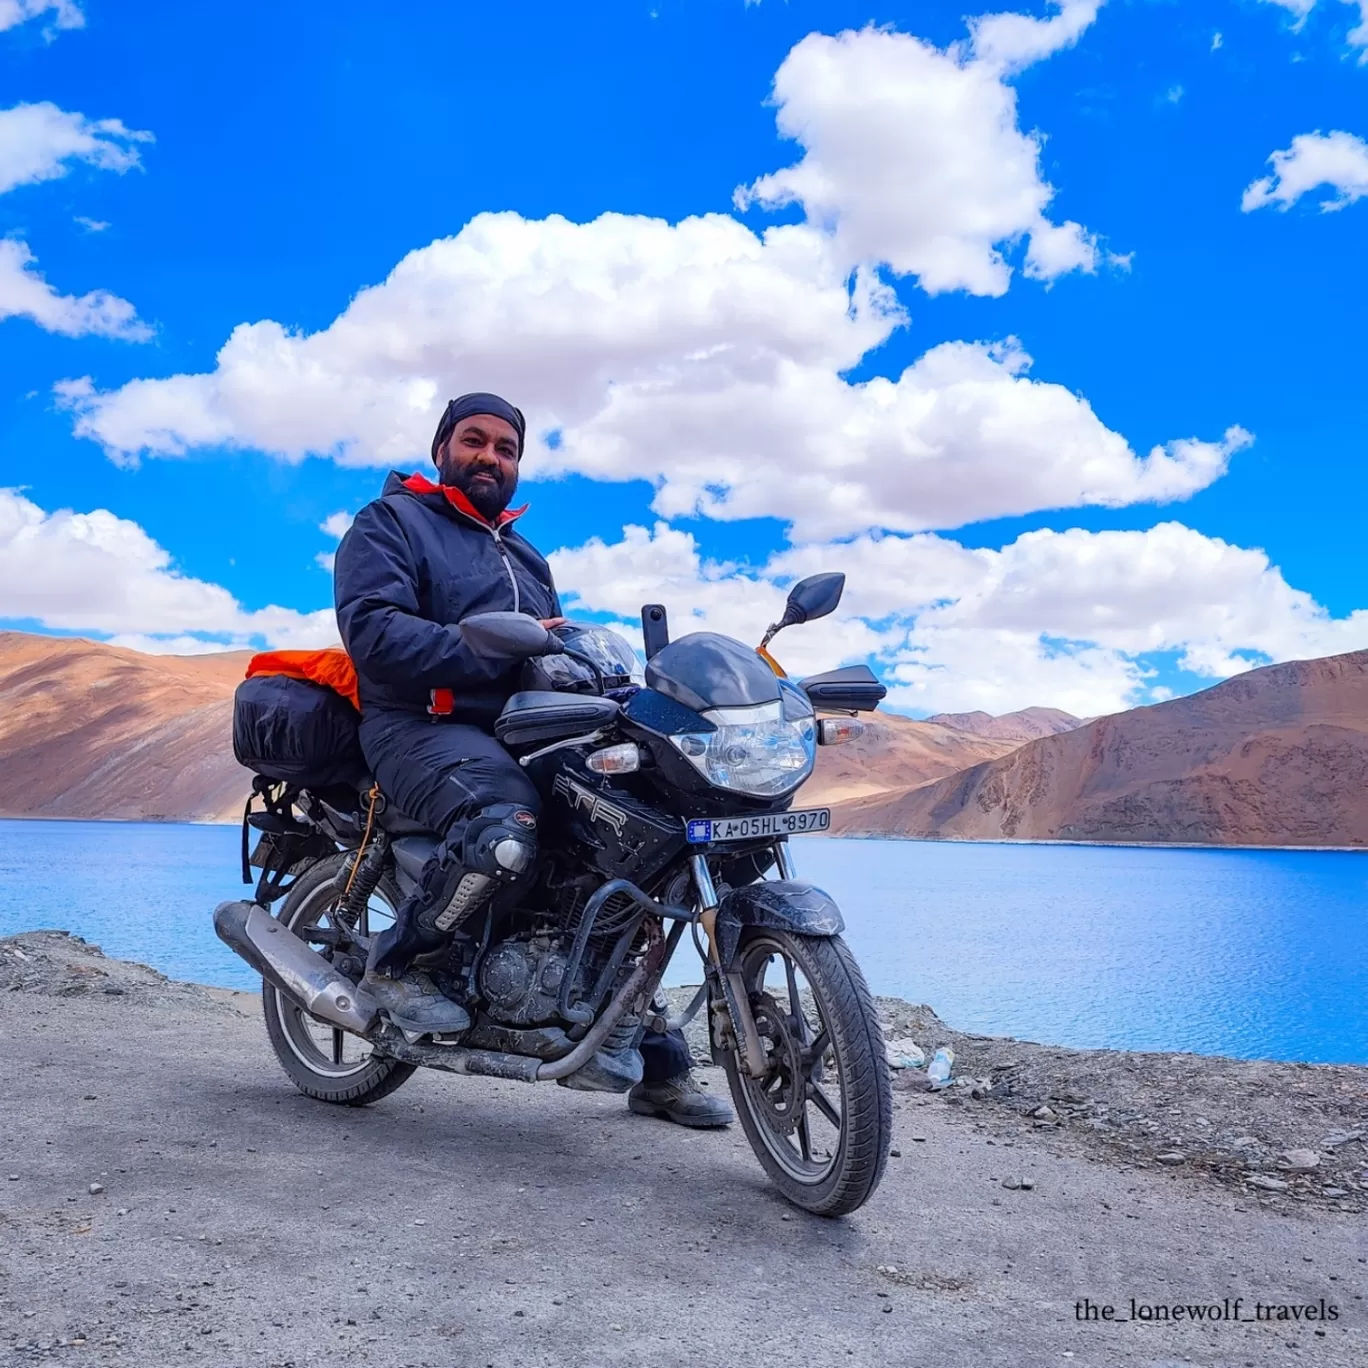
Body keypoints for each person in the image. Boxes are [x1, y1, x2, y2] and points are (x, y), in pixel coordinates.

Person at [333, 392, 732, 1128]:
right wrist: (484, 645)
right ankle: (396, 964)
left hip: (523, 729)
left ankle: (632, 1037)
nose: (490, 456)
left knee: (635, 838)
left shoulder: (523, 554)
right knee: (505, 824)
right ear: (442, 447)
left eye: (506, 448)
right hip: (419, 724)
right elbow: (375, 637)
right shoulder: (389, 524)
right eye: (474, 440)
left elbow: (548, 651)